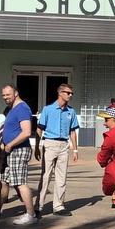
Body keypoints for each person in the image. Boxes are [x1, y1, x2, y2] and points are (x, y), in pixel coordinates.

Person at [0, 84, 38, 225]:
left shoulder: (22, 108)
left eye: (8, 94)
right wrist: (3, 146)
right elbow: (10, 131)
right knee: (3, 181)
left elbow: (26, 132)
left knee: (20, 182)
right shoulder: (12, 109)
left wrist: (10, 145)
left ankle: (31, 214)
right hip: (8, 151)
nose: (5, 97)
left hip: (18, 150)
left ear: (16, 93)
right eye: (3, 95)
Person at [35, 84, 80, 216]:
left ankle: (59, 206)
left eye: (71, 93)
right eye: (68, 93)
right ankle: (38, 206)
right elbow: (39, 129)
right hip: (50, 143)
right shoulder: (48, 109)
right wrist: (37, 147)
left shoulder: (71, 112)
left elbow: (73, 132)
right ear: (60, 93)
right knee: (46, 176)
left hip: (64, 145)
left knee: (61, 177)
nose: (70, 95)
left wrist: (75, 150)